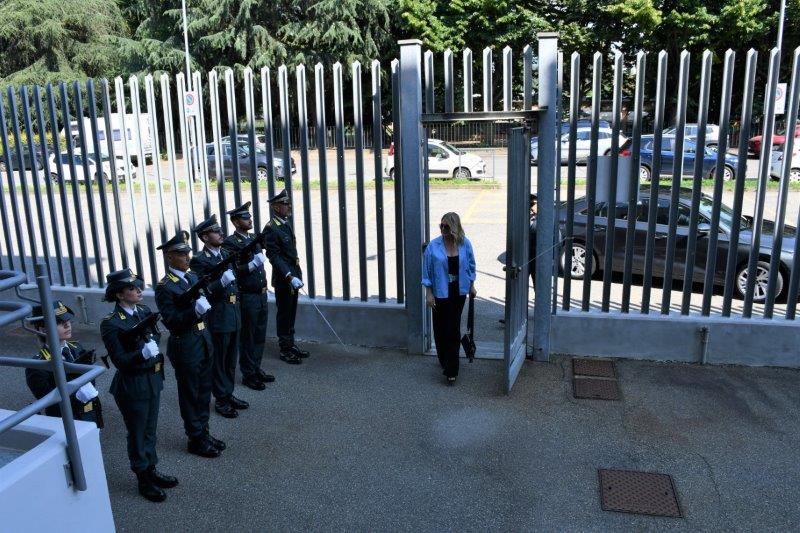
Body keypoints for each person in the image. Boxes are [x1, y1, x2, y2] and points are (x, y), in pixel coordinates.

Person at [100, 268, 177, 503]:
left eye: (137, 286)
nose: (139, 291)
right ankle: (142, 477)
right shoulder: (111, 324)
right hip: (133, 385)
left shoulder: (143, 311)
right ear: (120, 295)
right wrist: (141, 354)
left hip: (152, 380)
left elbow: (154, 336)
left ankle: (151, 469)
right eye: (132, 288)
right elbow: (120, 360)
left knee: (150, 430)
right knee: (137, 433)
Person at [154, 230, 224, 458]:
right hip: (185, 344)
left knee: (204, 390)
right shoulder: (165, 286)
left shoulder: (192, 277)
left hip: (203, 340)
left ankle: (203, 431)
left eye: (187, 252)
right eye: (180, 254)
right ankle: (194, 437)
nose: (186, 257)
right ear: (168, 256)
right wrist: (194, 311)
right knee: (191, 392)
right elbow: (172, 321)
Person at [190, 214, 248, 419]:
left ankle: (228, 393)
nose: (221, 233)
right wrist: (220, 283)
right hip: (219, 316)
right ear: (205, 237)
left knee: (231, 358)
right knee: (220, 360)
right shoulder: (199, 260)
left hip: (233, 312)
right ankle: (221, 399)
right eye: (216, 231)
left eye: (220, 230)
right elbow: (202, 290)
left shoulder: (224, 253)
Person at [25, 300, 104, 427]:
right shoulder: (38, 365)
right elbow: (49, 401)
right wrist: (76, 396)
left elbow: (89, 379)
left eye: (68, 321)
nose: (68, 325)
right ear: (43, 329)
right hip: (66, 420)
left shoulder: (77, 348)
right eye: (61, 323)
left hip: (90, 412)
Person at [223, 201, 274, 391]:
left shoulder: (253, 238)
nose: (250, 220)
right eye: (245, 218)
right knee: (248, 336)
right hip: (248, 296)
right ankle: (248, 373)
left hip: (261, 294)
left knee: (260, 334)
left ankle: (256, 367)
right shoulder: (230, 243)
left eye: (250, 216)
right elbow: (234, 270)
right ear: (236, 222)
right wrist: (251, 265)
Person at [422, 212, 477, 385]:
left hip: (458, 291)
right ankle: (443, 358)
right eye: (441, 225)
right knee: (440, 328)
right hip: (439, 290)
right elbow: (427, 271)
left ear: (455, 227)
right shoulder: (433, 246)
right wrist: (428, 293)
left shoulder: (465, 244)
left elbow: (471, 265)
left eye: (447, 226)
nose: (443, 229)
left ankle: (452, 369)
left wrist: (471, 285)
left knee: (453, 329)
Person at [263, 189, 310, 364]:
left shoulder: (284, 223)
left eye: (288, 203)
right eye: (284, 204)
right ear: (275, 206)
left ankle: (290, 344)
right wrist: (290, 276)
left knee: (291, 314)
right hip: (284, 279)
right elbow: (273, 256)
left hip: (293, 276)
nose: (288, 206)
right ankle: (285, 349)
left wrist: (296, 274)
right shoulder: (271, 228)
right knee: (284, 314)